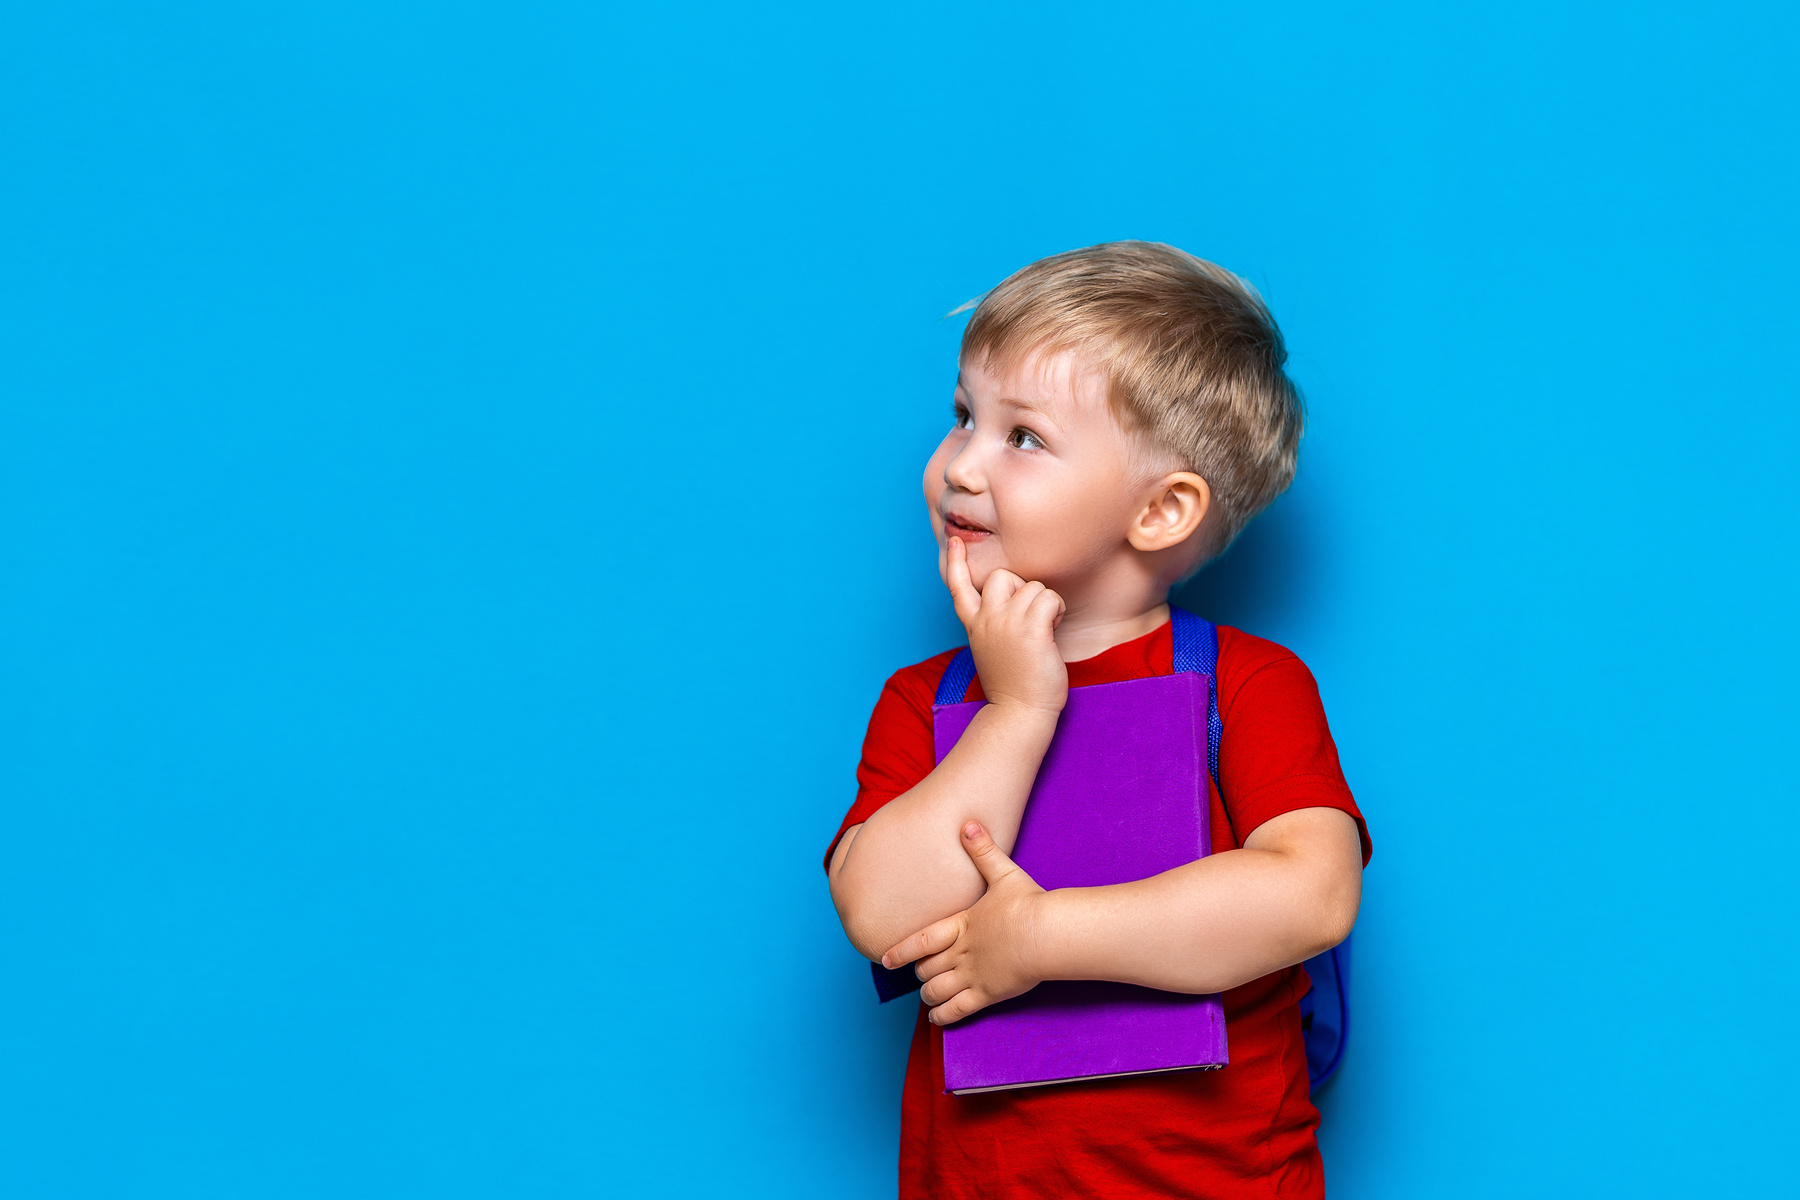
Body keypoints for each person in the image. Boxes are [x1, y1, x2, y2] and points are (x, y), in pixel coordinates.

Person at [825, 242, 1373, 1199]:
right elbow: (879, 914)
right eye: (963, 416)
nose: (961, 465)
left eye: (1021, 437)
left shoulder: (1247, 684)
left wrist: (1040, 941)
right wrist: (1020, 709)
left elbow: (1310, 897)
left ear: (1160, 511)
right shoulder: (927, 701)